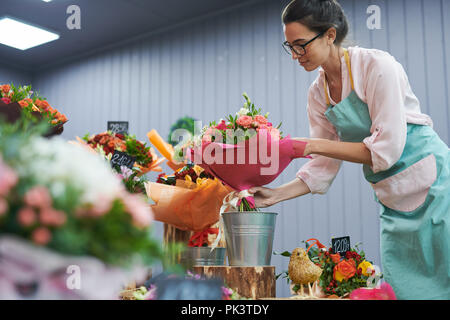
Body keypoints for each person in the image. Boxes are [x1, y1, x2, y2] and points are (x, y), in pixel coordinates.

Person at [248, 0, 450, 299]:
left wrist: (309, 145)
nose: (294, 55)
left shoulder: (376, 66)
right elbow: (322, 165)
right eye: (289, 46)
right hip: (394, 200)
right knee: (405, 289)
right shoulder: (318, 93)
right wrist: (276, 194)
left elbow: (386, 151)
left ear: (330, 35)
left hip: (435, 187)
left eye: (301, 45)